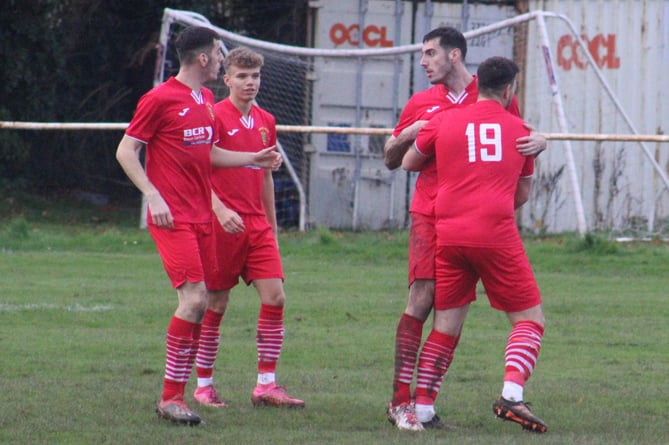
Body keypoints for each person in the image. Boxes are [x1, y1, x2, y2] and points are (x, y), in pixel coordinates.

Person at [383, 26, 547, 431]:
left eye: (430, 54)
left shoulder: (495, 102)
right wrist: (411, 131)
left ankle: (424, 407)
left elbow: (518, 146)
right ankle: (401, 401)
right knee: (421, 300)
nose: (423, 62)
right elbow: (392, 159)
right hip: (432, 214)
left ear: (455, 55)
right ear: (507, 87)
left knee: (450, 316)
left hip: (458, 221)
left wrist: (538, 139)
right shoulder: (422, 103)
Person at [116, 27, 281, 426]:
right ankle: (171, 397)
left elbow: (206, 155)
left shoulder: (204, 98)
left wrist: (251, 158)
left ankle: (184, 393)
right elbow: (126, 151)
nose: (224, 59)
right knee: (193, 301)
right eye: (220, 53)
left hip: (201, 217)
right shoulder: (159, 98)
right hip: (173, 216)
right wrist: (152, 195)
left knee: (203, 303)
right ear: (204, 58)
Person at [191, 47, 304, 409]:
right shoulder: (213, 117)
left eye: (255, 76)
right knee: (216, 303)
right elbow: (197, 171)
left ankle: (266, 386)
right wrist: (219, 209)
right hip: (220, 223)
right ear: (227, 80)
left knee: (276, 297)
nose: (250, 82)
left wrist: (271, 226)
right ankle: (203, 386)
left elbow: (266, 175)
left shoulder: (266, 120)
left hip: (256, 226)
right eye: (242, 76)